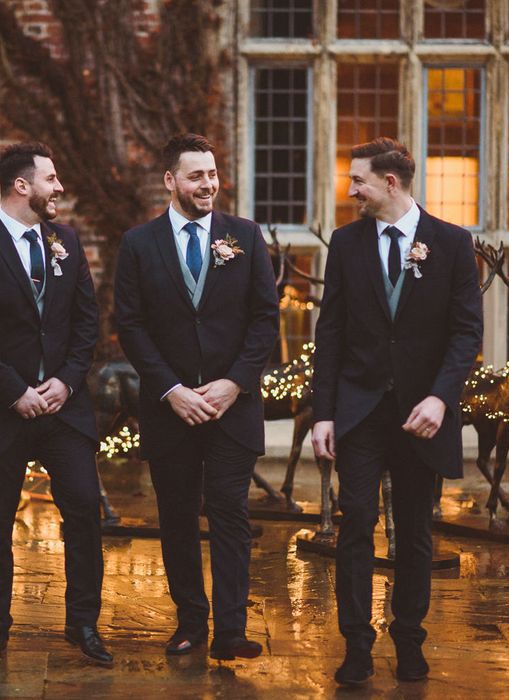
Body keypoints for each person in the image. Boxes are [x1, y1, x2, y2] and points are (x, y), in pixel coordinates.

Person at [311, 137, 482, 686]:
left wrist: (440, 396)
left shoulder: (452, 243)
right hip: (359, 413)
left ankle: (409, 640)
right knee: (355, 523)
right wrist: (323, 414)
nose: (351, 190)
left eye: (357, 180)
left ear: (389, 182)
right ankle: (357, 646)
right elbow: (330, 332)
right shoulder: (346, 242)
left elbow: (465, 333)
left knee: (414, 533)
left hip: (421, 413)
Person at [0, 142, 112, 668]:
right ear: (22, 185)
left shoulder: (67, 241)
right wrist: (15, 391)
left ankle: (83, 622)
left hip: (64, 410)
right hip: (3, 410)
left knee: (84, 511)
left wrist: (65, 381)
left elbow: (87, 322)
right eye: (51, 179)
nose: (58, 187)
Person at [114, 133, 279, 660]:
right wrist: (170, 390)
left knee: (229, 509)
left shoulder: (246, 237)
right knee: (178, 515)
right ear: (171, 181)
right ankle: (190, 622)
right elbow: (131, 326)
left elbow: (264, 320)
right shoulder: (138, 244)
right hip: (171, 411)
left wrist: (234, 383)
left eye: (212, 174)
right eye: (196, 176)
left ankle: (231, 629)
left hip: (234, 407)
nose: (208, 184)